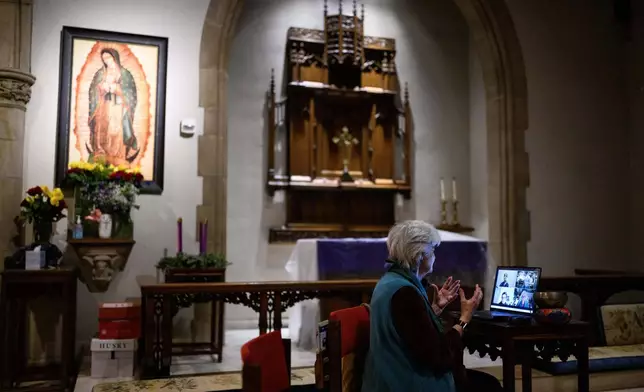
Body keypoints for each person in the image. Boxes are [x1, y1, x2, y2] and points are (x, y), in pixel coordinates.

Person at [362, 220, 503, 392]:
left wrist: (434, 309)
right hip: (406, 382)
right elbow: (438, 356)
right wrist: (464, 319)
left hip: (390, 375)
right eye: (433, 250)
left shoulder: (391, 281)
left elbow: (409, 330)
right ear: (419, 255)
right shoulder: (404, 293)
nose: (435, 255)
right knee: (490, 386)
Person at [88, 48, 140, 166]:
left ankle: (117, 154)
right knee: (102, 127)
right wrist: (102, 88)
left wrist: (115, 88)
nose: (106, 61)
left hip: (118, 106)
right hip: (103, 105)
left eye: (109, 58)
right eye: (104, 58)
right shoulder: (100, 73)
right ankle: (100, 152)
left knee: (115, 129)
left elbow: (130, 91)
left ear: (115, 58)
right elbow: (93, 90)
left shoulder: (124, 74)